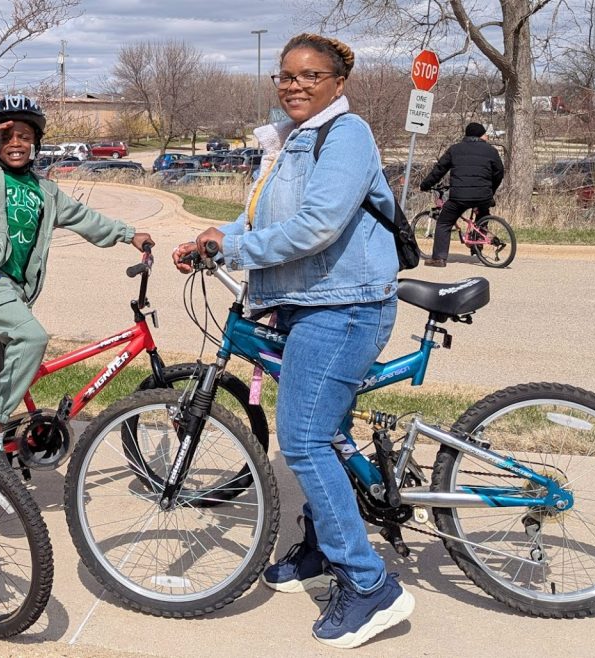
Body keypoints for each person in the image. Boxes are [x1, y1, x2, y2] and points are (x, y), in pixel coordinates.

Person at [173, 33, 413, 649]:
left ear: (339, 81)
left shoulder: (347, 135)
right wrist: (213, 236)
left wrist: (234, 248)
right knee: (323, 432)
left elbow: (318, 224)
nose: (295, 85)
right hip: (308, 303)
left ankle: (369, 585)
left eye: (310, 75)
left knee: (302, 438)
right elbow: (263, 220)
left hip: (346, 306)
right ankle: (321, 549)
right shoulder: (289, 141)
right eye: (285, 76)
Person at [0, 95, 153, 451]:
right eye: (7, 136)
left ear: (36, 144)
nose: (16, 143)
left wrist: (128, 234)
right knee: (31, 339)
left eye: (25, 137)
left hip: (14, 292)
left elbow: (87, 219)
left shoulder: (47, 191)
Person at [418, 122, 504, 267]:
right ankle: (478, 245)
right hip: (483, 195)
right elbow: (499, 172)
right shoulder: (491, 151)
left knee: (444, 222)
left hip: (460, 196)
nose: (487, 137)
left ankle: (438, 258)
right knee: (482, 213)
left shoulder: (455, 149)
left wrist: (425, 185)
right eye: (485, 134)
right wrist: (490, 191)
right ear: (480, 135)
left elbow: (439, 170)